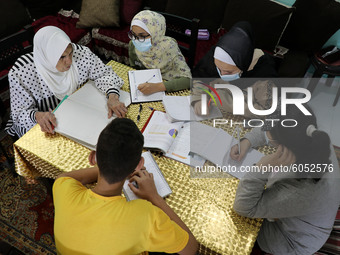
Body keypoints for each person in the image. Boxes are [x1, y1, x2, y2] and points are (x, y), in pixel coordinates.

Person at [53, 118, 198, 255]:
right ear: (139, 164)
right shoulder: (146, 216)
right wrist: (154, 196)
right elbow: (190, 248)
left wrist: (112, 164)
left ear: (93, 157)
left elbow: (63, 177)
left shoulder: (62, 188)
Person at [230, 104, 340, 255]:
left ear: (285, 148)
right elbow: (271, 128)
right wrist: (247, 141)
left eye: (272, 140)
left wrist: (261, 167)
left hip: (295, 241)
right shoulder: (315, 137)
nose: (266, 135)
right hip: (309, 213)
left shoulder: (301, 190)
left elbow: (243, 207)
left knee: (232, 218)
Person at [6, 26, 127, 138]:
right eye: (62, 57)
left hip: (80, 113)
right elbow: (20, 113)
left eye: (70, 53)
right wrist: (38, 115)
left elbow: (103, 73)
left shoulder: (80, 53)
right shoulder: (22, 73)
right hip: (50, 124)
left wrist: (112, 97)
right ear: (47, 57)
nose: (69, 61)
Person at [128, 10, 192, 95]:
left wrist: (157, 87)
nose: (136, 40)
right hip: (145, 88)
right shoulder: (133, 45)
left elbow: (188, 80)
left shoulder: (170, 48)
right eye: (133, 34)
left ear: (155, 33)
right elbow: (134, 68)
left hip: (168, 87)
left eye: (142, 36)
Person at [192, 21, 278, 81]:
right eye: (218, 68)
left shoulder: (264, 70)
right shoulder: (216, 54)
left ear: (244, 63)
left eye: (228, 72)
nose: (221, 75)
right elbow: (198, 78)